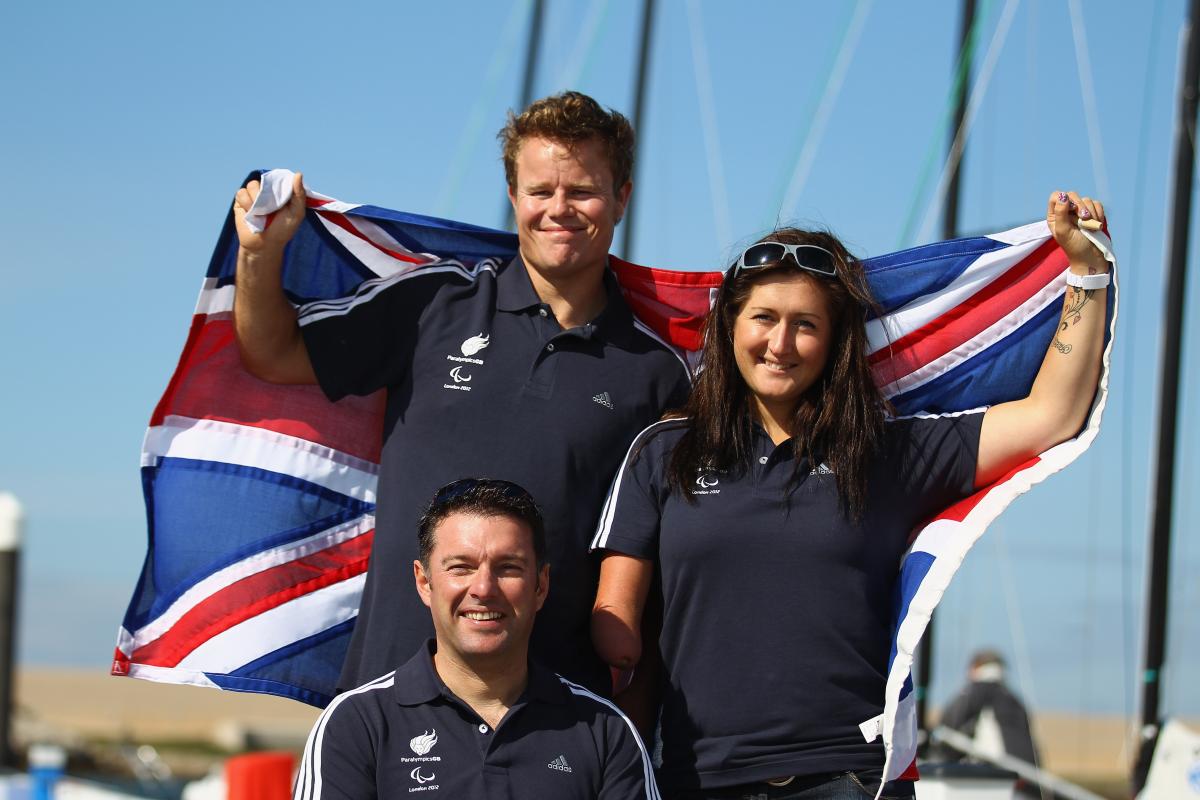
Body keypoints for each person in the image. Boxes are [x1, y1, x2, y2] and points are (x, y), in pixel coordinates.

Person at [589, 192, 1109, 799]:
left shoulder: (886, 454)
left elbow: (1050, 415)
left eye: (805, 324)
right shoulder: (664, 452)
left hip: (851, 778)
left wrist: (1087, 272)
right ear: (728, 327)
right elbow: (614, 627)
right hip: (697, 778)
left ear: (835, 342)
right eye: (763, 318)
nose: (780, 342)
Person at [231, 91, 690, 695]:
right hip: (389, 693)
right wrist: (260, 252)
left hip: (555, 716)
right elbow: (274, 352)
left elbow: (662, 560)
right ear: (512, 197)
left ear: (622, 197)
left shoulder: (657, 372)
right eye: (539, 191)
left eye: (582, 191)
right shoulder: (432, 305)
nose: (559, 209)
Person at [293, 478, 659, 800]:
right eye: (461, 567)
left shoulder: (605, 730)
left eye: (508, 568)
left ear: (541, 586)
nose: (483, 588)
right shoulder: (357, 724)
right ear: (424, 582)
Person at [939, 649, 1040, 795]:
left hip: (994, 780)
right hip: (1026, 784)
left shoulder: (976, 692)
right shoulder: (1013, 699)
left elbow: (948, 726)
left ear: (975, 668)